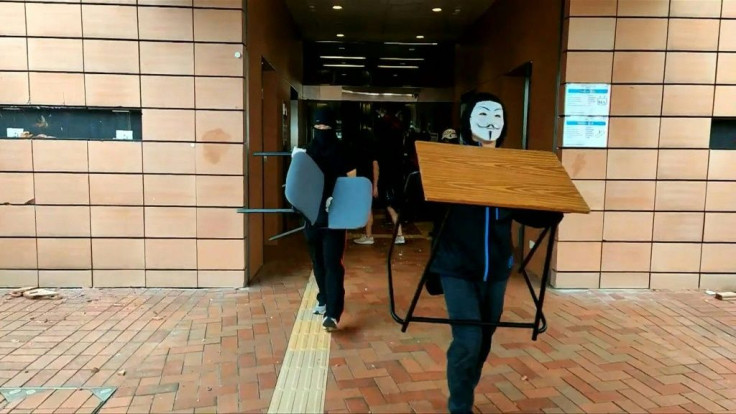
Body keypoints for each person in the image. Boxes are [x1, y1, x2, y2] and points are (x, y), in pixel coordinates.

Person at [428, 93, 562, 413]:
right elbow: (426, 203)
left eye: (497, 117)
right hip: (457, 266)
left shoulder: (510, 167)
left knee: (483, 342)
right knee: (468, 341)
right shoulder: (452, 160)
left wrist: (553, 207)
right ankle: (460, 406)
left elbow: (524, 211)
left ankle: (465, 389)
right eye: (483, 115)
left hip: (497, 267)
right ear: (468, 121)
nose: (491, 123)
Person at [300, 106, 356, 332]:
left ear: (334, 127)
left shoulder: (343, 151)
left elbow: (352, 182)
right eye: (318, 126)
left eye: (326, 126)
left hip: (335, 216)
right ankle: (323, 298)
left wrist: (343, 205)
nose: (322, 130)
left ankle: (333, 313)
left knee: (333, 263)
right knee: (318, 262)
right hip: (312, 216)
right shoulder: (307, 152)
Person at [352, 128, 381, 245]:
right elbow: (376, 169)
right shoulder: (372, 151)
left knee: (367, 210)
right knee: (367, 209)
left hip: (362, 182)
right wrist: (375, 185)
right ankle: (367, 234)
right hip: (367, 182)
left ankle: (369, 236)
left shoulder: (357, 151)